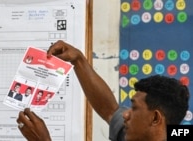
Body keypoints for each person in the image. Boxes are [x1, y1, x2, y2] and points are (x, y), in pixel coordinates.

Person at [16, 40, 190, 141]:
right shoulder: (137, 135)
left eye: (134, 108)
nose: (125, 114)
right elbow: (109, 110)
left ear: (155, 118)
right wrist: (78, 60)